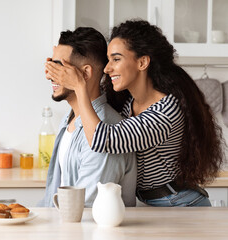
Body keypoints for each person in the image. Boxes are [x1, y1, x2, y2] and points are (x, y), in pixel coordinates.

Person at [45, 20, 224, 207]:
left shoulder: (165, 111)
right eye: (107, 60)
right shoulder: (129, 101)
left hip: (179, 202)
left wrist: (80, 84)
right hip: (153, 202)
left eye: (116, 59)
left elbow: (102, 140)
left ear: (142, 62)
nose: (107, 68)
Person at [39, 27, 137, 208]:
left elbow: (87, 208)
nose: (49, 75)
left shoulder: (105, 131)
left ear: (85, 74)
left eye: (58, 67)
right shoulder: (69, 121)